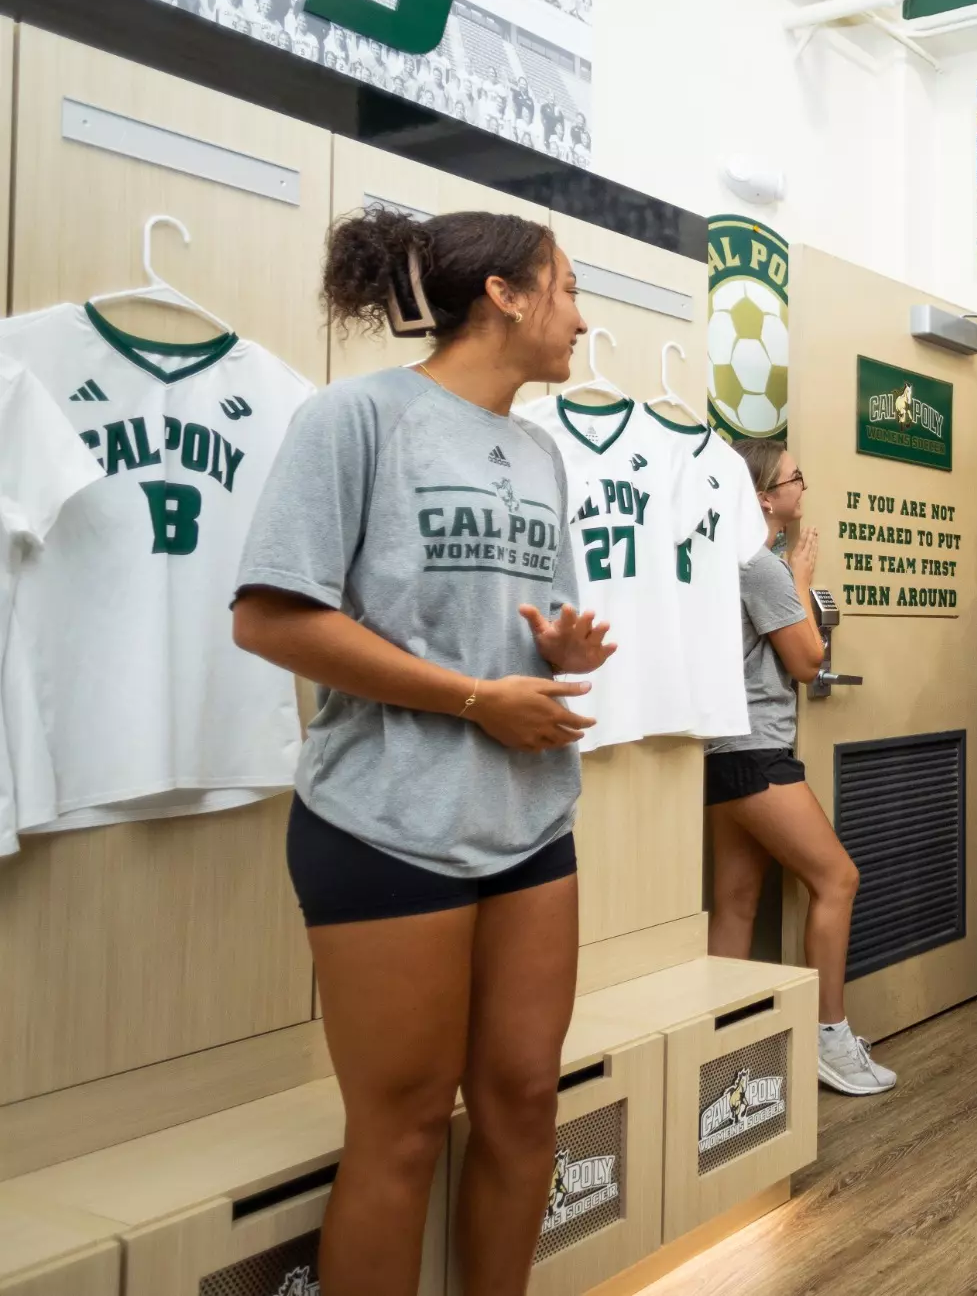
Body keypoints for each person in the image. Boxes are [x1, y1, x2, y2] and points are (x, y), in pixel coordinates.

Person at [233, 208, 612, 1293]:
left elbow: (517, 630)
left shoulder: (540, 451)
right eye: (570, 289)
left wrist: (561, 642)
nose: (581, 319)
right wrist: (468, 698)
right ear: (507, 294)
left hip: (530, 817)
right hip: (384, 819)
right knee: (400, 1128)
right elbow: (270, 619)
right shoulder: (355, 418)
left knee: (524, 1101)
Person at [705, 440, 898, 1097]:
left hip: (720, 755)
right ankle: (828, 1033)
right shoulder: (760, 567)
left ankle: (714, 1048)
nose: (803, 486)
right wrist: (802, 578)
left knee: (734, 905)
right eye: (795, 477)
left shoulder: (719, 557)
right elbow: (808, 660)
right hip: (757, 752)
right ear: (764, 497)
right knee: (838, 878)